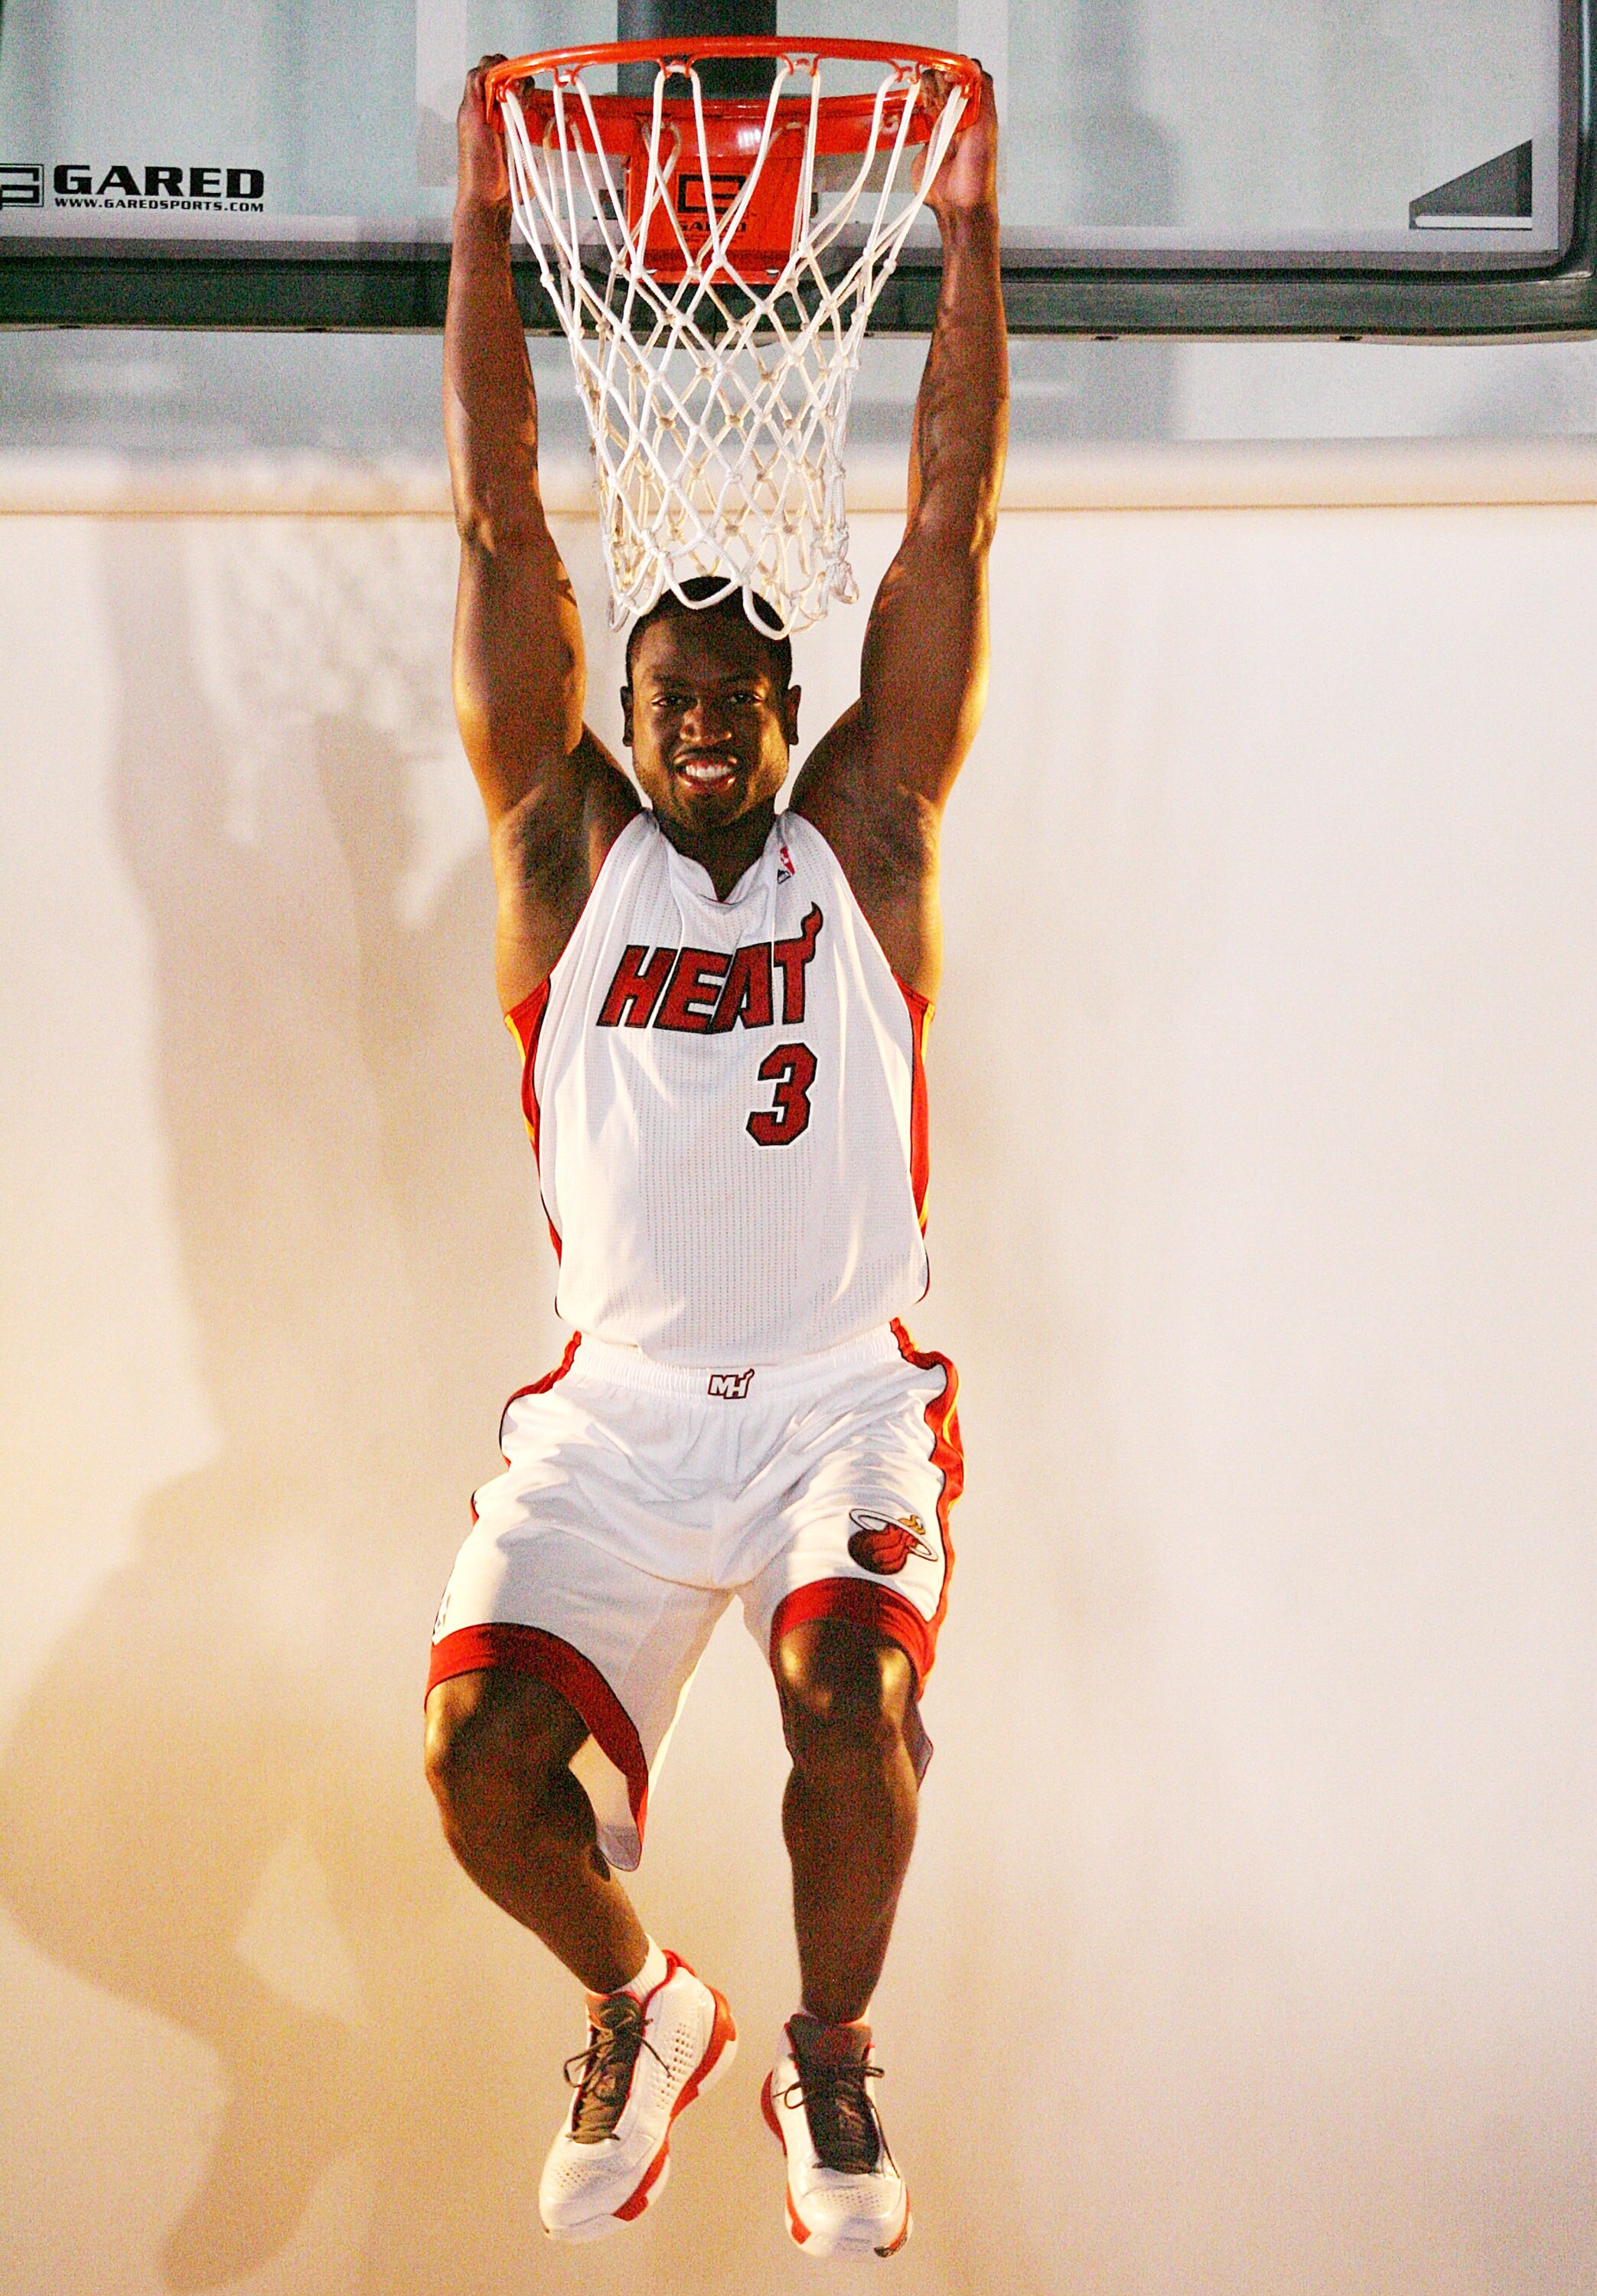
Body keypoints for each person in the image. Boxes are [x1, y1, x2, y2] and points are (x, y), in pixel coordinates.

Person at [424, 51, 1007, 2260]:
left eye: (730, 700)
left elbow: (944, 523)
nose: (691, 722)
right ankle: (643, 2002)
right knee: (477, 1772)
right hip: (619, 1418)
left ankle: (826, 2059)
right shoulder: (572, 865)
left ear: (786, 719)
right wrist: (488, 215)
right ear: (626, 717)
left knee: (852, 1706)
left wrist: (962, 228)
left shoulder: (862, 846)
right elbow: (501, 521)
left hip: (837, 1401)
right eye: (659, 693)